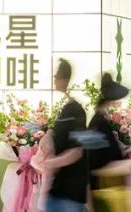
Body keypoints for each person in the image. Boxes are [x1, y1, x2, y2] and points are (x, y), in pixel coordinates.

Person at [45, 59, 89, 212]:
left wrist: (51, 163)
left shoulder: (76, 111)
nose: (54, 79)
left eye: (56, 76)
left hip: (71, 192)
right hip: (58, 189)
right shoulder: (65, 109)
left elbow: (77, 151)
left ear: (64, 79)